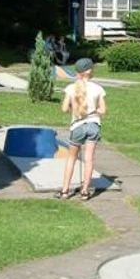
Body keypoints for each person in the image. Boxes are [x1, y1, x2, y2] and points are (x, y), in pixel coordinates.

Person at [56, 58, 107, 201]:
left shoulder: (71, 88)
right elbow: (103, 110)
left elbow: (64, 109)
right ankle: (85, 191)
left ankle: (65, 190)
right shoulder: (98, 88)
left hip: (77, 126)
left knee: (71, 158)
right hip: (93, 125)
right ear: (90, 71)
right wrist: (95, 109)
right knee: (89, 159)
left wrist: (75, 108)